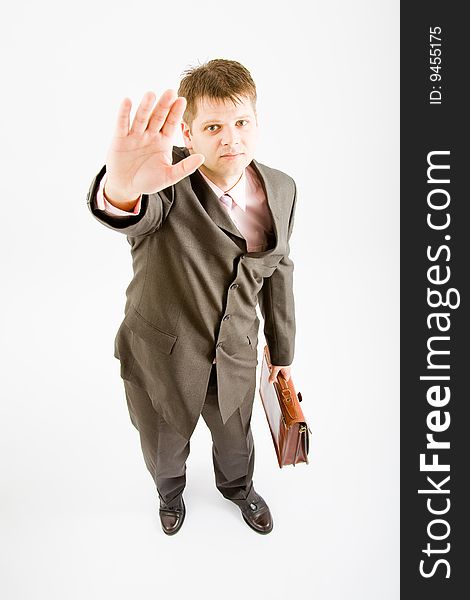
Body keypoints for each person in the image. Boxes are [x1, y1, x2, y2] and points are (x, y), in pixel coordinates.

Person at [86, 58, 298, 535]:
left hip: (237, 355)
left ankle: (239, 489)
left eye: (241, 122)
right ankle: (170, 495)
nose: (231, 138)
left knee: (236, 441)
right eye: (214, 126)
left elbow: (280, 267)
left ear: (257, 122)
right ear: (188, 130)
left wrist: (282, 352)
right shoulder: (164, 180)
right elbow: (134, 215)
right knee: (163, 444)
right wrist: (121, 189)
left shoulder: (282, 187)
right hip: (163, 356)